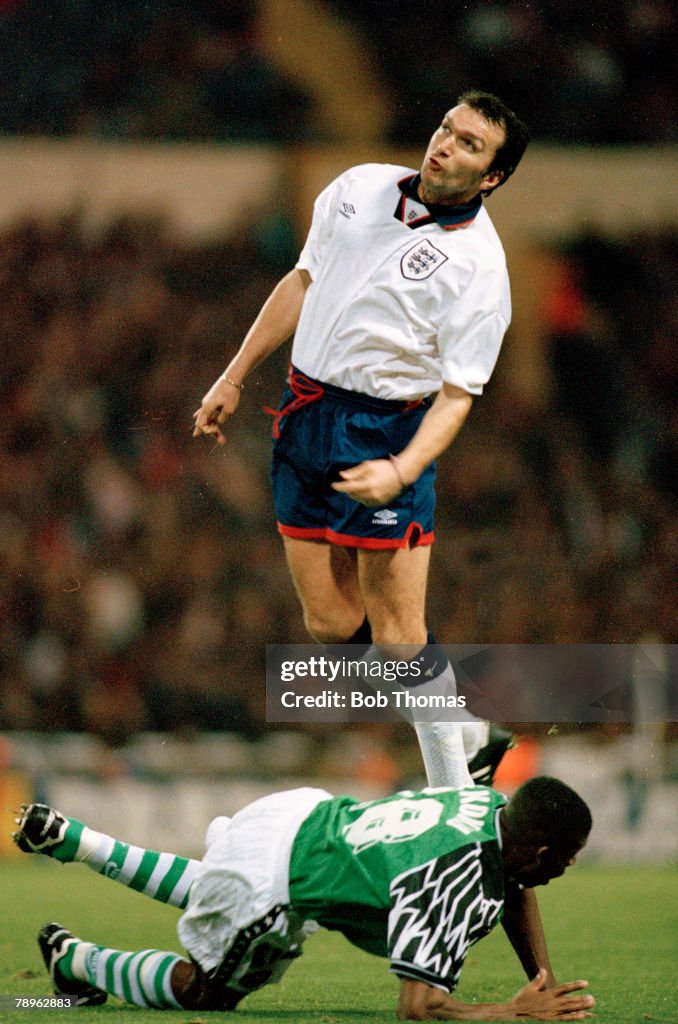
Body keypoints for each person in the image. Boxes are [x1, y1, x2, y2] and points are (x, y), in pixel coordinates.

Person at [192, 90, 531, 786]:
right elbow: (301, 280)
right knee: (328, 622)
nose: (446, 144)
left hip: (385, 430)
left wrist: (402, 470)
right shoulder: (359, 186)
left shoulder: (481, 270)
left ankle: (454, 785)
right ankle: (465, 724)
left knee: (400, 635)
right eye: (447, 128)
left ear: (492, 176)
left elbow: (458, 396)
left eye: (470, 144)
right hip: (304, 413)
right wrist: (232, 377)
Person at [13, 776, 595, 1019]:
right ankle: (75, 964)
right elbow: (417, 1007)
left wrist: (544, 978)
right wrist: (511, 1011)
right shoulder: (454, 881)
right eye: (568, 855)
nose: (570, 866)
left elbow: (515, 885)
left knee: (214, 893)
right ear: (541, 851)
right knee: (208, 992)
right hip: (271, 881)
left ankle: (75, 840)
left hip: (300, 813)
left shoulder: (491, 806)